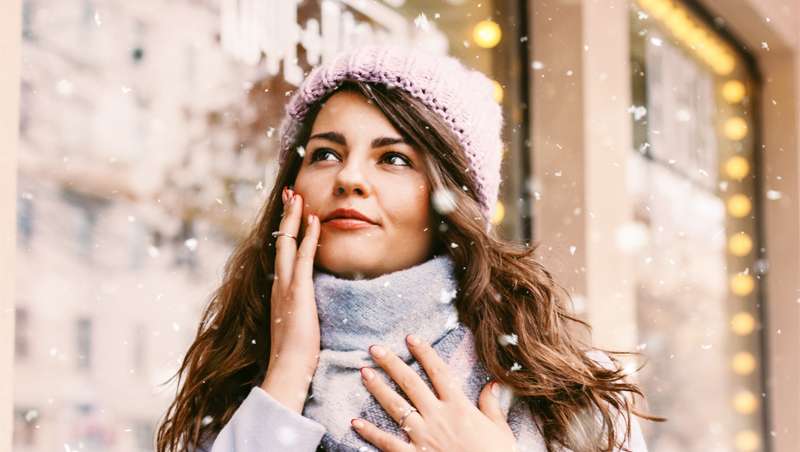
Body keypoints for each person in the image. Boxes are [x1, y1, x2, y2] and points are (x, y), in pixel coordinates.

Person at [155, 44, 659, 452]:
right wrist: (288, 371)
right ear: (292, 187)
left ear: (448, 199)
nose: (350, 178)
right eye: (326, 153)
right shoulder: (244, 381)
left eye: (393, 158)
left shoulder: (558, 388)